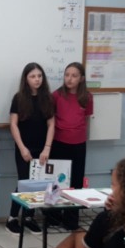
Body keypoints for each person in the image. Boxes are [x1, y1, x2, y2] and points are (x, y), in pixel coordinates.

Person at [6, 62, 55, 235]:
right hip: (24, 148)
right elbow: (13, 124)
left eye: (39, 76)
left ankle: (29, 217)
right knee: (24, 182)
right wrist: (22, 148)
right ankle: (12, 218)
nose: (37, 79)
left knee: (38, 183)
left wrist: (47, 148)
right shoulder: (19, 98)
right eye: (33, 76)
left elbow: (51, 124)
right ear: (26, 79)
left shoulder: (47, 99)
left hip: (42, 149)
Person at [49, 62, 93, 232]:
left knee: (76, 182)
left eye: (74, 76)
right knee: (57, 181)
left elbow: (86, 119)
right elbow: (51, 120)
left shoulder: (87, 97)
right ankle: (53, 217)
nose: (69, 79)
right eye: (67, 75)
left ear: (81, 78)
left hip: (78, 144)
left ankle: (71, 219)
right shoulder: (56, 95)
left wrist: (81, 136)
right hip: (59, 143)